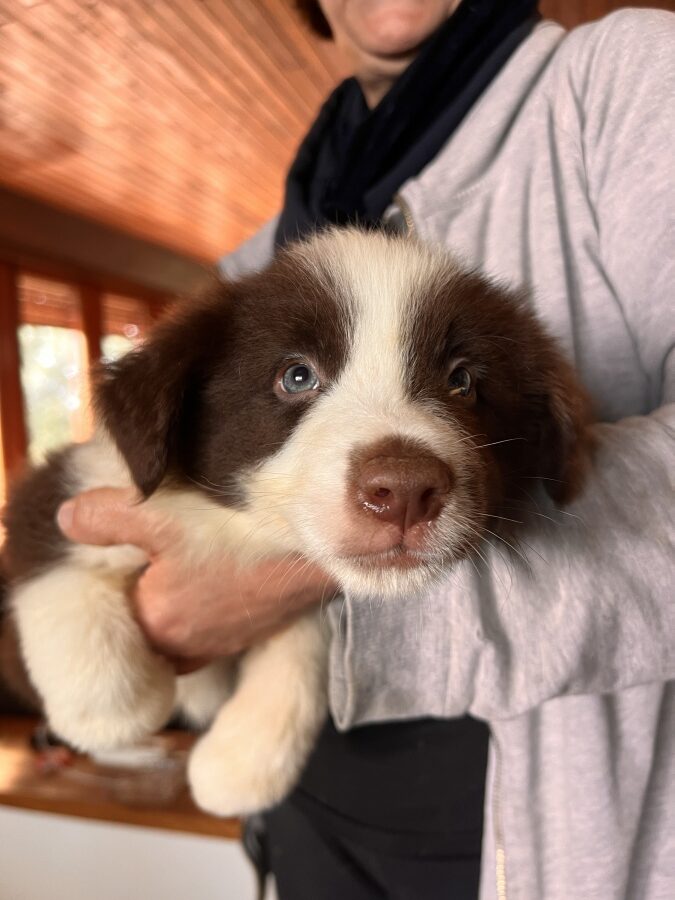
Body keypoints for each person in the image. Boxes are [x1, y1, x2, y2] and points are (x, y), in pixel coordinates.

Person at [56, 1, 674, 897]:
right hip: (306, 819)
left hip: (532, 848)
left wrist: (275, 583)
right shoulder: (275, 240)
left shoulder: (622, 85)